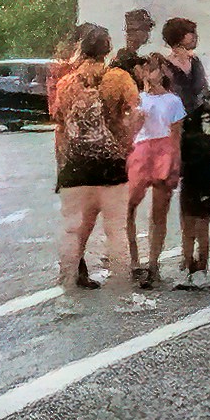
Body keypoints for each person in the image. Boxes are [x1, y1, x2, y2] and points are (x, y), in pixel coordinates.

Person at [46, 22, 138, 311]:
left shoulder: (66, 83)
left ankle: (67, 289)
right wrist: (126, 144)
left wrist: (62, 162)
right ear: (107, 49)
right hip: (111, 164)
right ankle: (122, 292)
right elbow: (135, 115)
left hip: (75, 166)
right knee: (116, 229)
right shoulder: (119, 78)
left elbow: (60, 123)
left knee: (72, 229)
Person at [120, 33, 186, 307]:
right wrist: (134, 120)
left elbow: (176, 135)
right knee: (129, 207)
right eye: (147, 68)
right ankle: (134, 261)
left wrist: (175, 163)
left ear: (163, 72)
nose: (151, 73)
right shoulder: (137, 100)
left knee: (159, 211)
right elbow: (129, 134)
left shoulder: (173, 101)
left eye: (156, 68)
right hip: (140, 151)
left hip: (162, 151)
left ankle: (154, 262)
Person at [157, 16, 210, 289]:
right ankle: (186, 256)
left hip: (199, 134)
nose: (194, 37)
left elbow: (204, 93)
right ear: (179, 36)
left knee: (199, 196)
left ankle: (200, 259)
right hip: (177, 133)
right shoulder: (166, 65)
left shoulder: (196, 62)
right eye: (190, 33)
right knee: (186, 196)